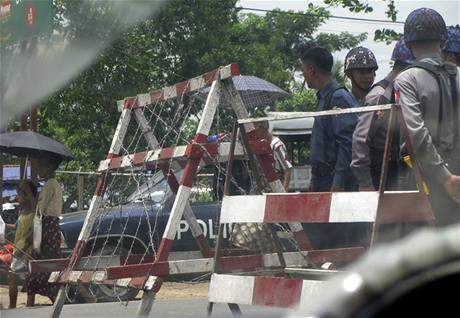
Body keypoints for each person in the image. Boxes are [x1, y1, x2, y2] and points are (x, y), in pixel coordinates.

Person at [394, 7, 460, 226]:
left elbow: (416, 134)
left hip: (422, 179)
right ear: (443, 42)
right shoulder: (458, 75)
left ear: (409, 44)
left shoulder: (406, 80)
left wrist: (445, 178)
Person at [351, 38, 415, 191]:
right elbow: (361, 140)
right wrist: (366, 183)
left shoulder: (402, 92)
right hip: (379, 176)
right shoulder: (380, 96)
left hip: (399, 172)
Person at [301, 47, 358, 192]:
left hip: (334, 181)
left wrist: (338, 183)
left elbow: (347, 144)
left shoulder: (338, 98)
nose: (304, 75)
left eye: (304, 71)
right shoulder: (324, 98)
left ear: (311, 70)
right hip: (323, 180)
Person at [27, 154, 63, 306]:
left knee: (43, 266)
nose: (38, 169)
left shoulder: (50, 184)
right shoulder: (53, 184)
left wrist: (29, 194)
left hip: (46, 228)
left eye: (41, 166)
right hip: (49, 228)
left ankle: (55, 298)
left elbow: (39, 211)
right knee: (46, 266)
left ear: (49, 167)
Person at [6, 180, 37, 308]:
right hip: (17, 249)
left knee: (24, 279)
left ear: (27, 196)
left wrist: (28, 189)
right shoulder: (22, 211)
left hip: (26, 251)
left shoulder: (34, 213)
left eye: (20, 193)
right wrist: (4, 227)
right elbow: (16, 227)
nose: (17, 197)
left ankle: (27, 306)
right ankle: (13, 306)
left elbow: (32, 234)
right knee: (15, 279)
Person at [254, 121, 293, 191]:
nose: (255, 134)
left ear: (261, 129)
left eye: (255, 131)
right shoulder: (263, 144)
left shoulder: (276, 145)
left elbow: (288, 169)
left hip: (277, 187)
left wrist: (283, 193)